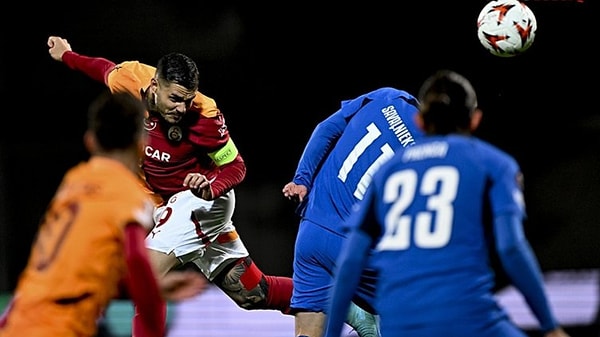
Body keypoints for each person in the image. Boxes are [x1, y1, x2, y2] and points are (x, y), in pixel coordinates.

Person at [46, 36, 294, 333]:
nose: (182, 107)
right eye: (175, 99)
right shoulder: (130, 78)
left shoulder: (205, 115)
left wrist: (210, 186)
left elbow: (236, 165)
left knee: (145, 275)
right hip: (165, 205)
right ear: (154, 86)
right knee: (253, 293)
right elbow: (102, 70)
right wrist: (68, 55)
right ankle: (344, 302)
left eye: (188, 99)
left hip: (203, 199)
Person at [324, 70, 571, 337]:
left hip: (399, 323)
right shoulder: (493, 164)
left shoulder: (387, 172)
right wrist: (550, 326)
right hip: (467, 317)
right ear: (475, 119)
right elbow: (511, 248)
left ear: (419, 120)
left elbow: (349, 264)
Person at [0, 91, 208, 337]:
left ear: (90, 141)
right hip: (58, 327)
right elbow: (137, 261)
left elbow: (80, 267)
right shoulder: (128, 195)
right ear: (142, 144)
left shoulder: (73, 183)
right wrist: (148, 296)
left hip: (16, 320)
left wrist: (152, 287)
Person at [282, 87, 423, 337]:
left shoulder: (386, 97)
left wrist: (302, 179)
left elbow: (325, 129)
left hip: (312, 231)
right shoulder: (433, 149)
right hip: (358, 249)